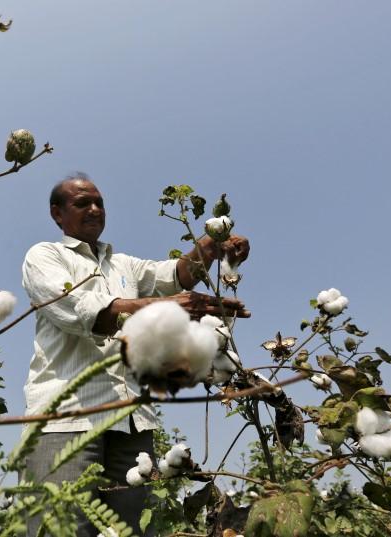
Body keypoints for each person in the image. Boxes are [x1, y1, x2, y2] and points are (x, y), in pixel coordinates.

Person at [20, 174, 250, 535]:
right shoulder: (44, 256)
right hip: (64, 420)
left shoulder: (123, 265)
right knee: (59, 527)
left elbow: (177, 274)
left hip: (133, 423)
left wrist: (211, 246)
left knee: (132, 530)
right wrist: (164, 307)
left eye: (99, 203)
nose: (95, 209)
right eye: (82, 203)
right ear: (57, 214)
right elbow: (81, 309)